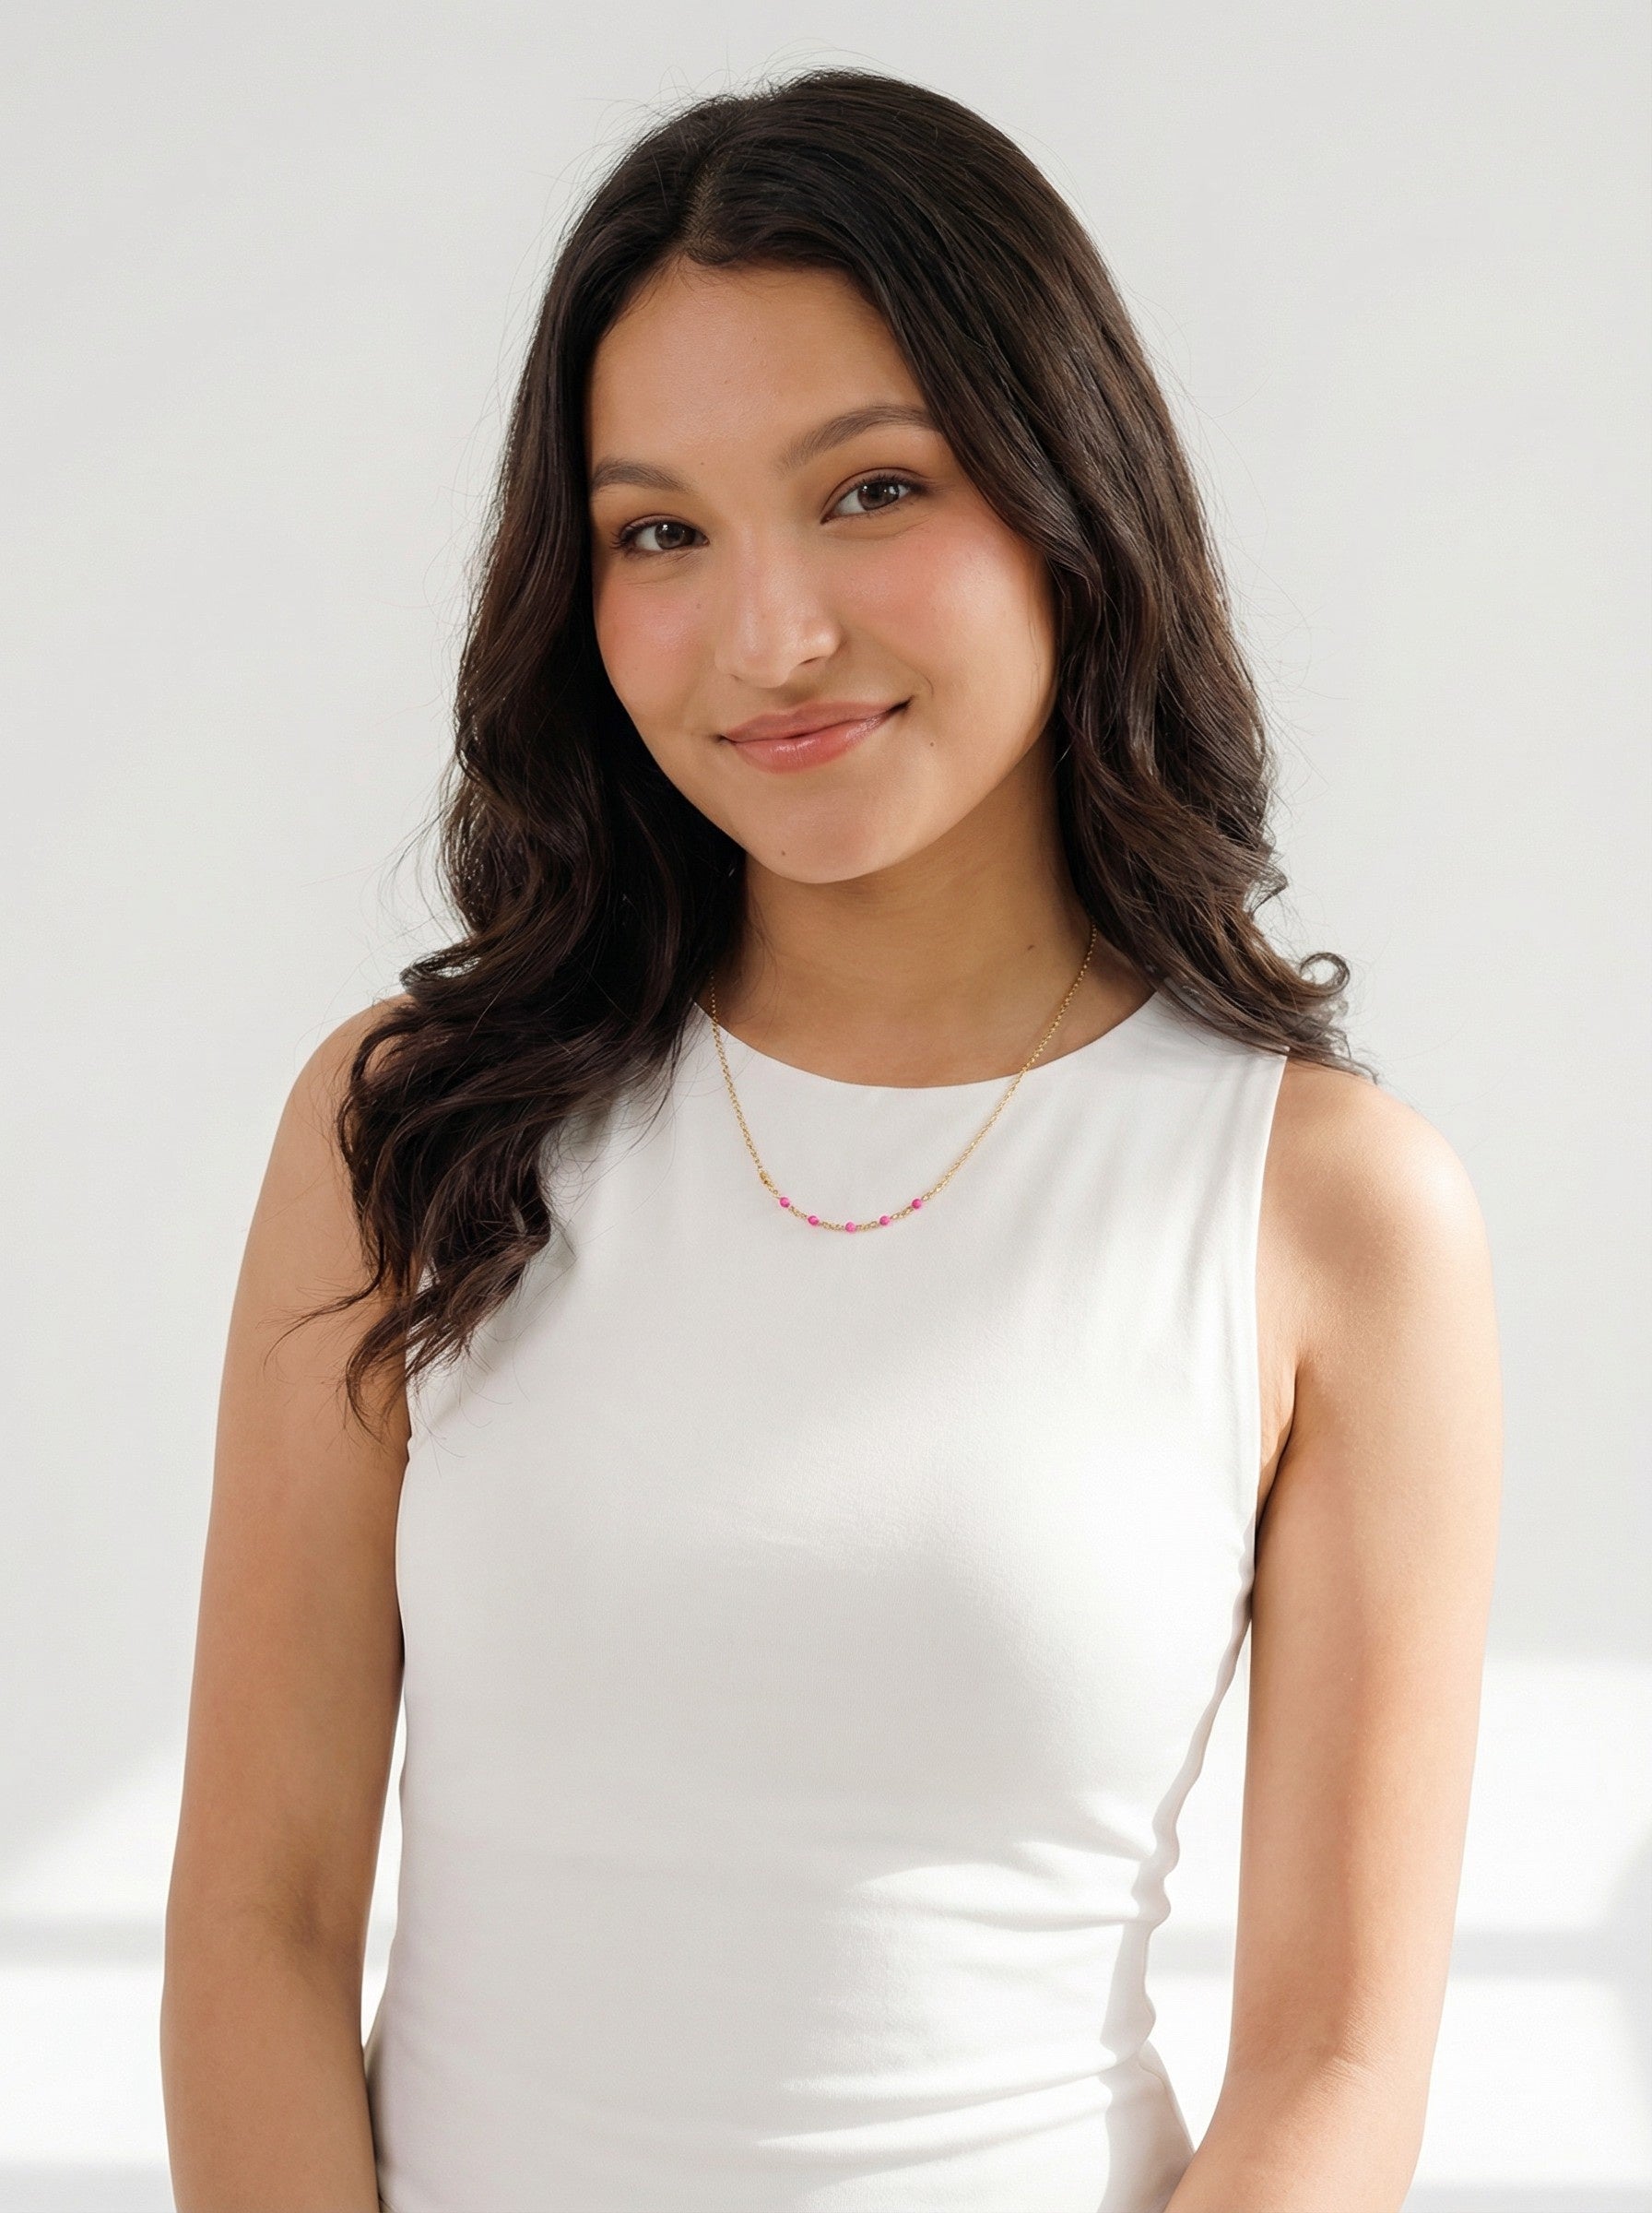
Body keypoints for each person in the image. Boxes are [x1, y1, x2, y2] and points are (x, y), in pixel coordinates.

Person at [159, 66, 1503, 2213]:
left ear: (1069, 494)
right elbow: (259, 1920)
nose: (768, 638)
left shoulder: (1322, 1210)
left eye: (869, 492)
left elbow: (1336, 2053)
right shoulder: (404, 1132)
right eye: (656, 533)